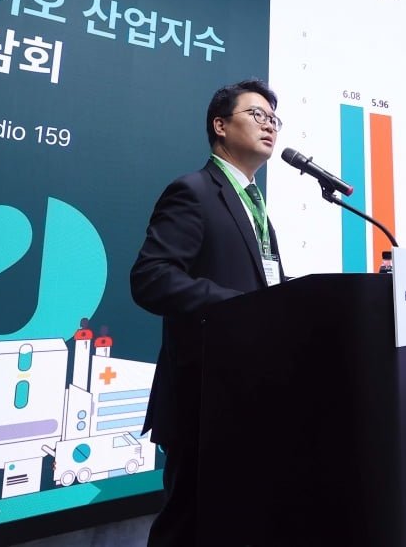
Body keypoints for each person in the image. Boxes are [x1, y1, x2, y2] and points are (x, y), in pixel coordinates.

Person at [131, 79, 286, 547]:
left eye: (274, 119)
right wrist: (239, 304)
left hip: (249, 392)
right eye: (256, 114)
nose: (269, 125)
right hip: (204, 397)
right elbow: (151, 277)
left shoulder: (254, 205)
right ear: (220, 125)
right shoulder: (194, 191)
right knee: (188, 525)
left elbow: (265, 284)